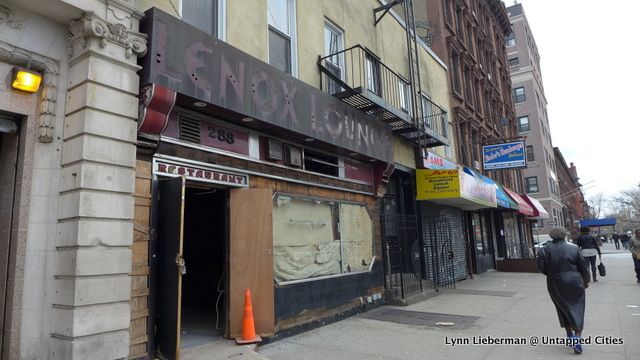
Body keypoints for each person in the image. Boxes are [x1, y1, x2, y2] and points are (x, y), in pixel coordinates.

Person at [537, 227, 590, 354]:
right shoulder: (574, 248)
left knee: (562, 309)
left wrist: (552, 275)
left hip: (555, 282)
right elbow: (583, 267)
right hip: (574, 281)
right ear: (565, 235)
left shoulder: (544, 250)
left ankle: (569, 336)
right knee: (577, 308)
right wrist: (586, 281)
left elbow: (541, 268)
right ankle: (577, 338)